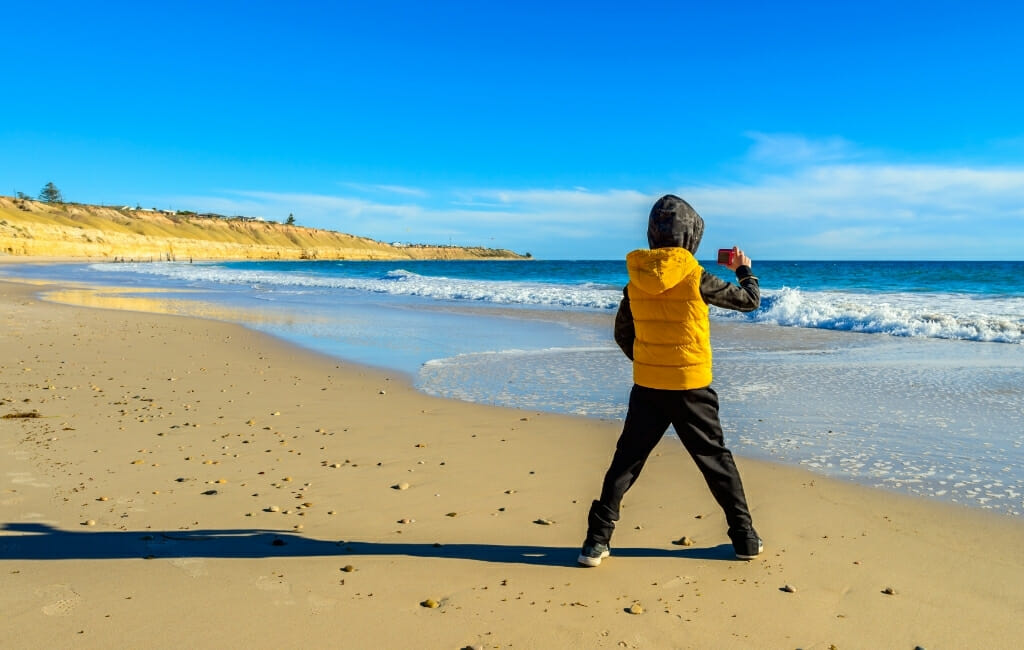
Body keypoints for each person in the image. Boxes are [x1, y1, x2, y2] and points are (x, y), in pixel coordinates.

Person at [578, 194, 763, 567]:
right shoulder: (696, 275)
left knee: (626, 462)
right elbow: (750, 301)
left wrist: (649, 360)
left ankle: (595, 543)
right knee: (715, 461)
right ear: (691, 236)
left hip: (648, 386)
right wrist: (744, 269)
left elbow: (621, 333)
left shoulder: (635, 279)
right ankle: (744, 538)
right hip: (691, 386)